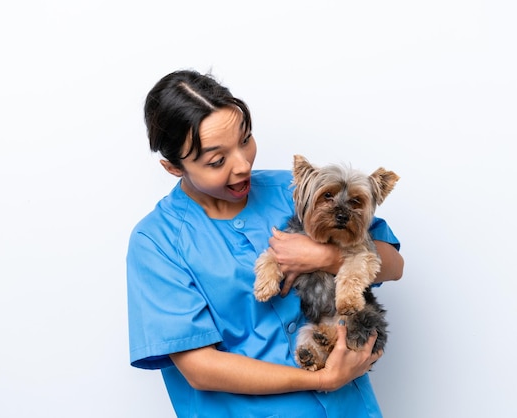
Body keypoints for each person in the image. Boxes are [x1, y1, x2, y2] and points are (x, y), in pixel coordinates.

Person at [126, 69, 404, 418]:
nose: (242, 165)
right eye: (217, 160)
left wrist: (325, 256)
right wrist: (325, 379)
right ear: (173, 167)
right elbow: (200, 368)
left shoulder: (299, 192)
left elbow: (393, 265)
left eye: (245, 140)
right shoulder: (157, 242)